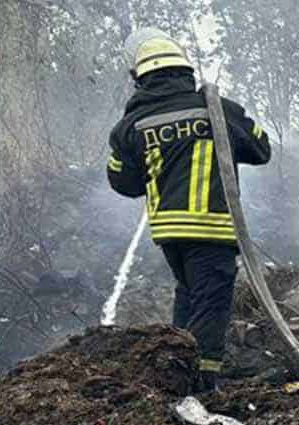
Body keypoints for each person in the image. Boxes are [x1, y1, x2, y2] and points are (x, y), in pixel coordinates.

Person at [106, 28, 273, 391]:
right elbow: (261, 148)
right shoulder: (216, 110)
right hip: (211, 228)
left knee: (189, 296)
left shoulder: (131, 125)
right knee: (211, 305)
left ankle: (175, 374)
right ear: (185, 71)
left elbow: (123, 182)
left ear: (140, 78)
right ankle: (201, 384)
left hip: (169, 233)